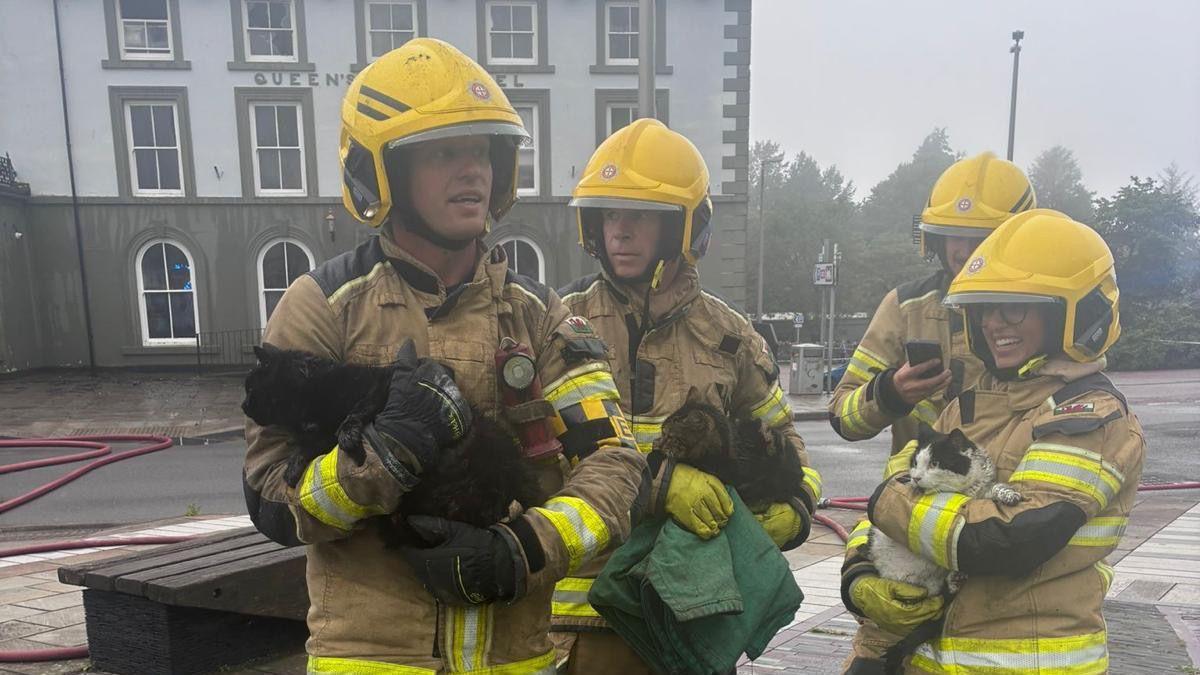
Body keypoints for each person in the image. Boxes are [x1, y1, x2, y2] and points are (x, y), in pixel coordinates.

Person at [242, 39, 647, 673]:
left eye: (482, 150)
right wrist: (379, 457)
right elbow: (270, 499)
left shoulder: (542, 318)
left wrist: (525, 549)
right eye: (444, 151)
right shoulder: (324, 306)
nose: (473, 170)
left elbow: (616, 465)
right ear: (382, 171)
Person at [553, 118, 822, 673]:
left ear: (684, 226)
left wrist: (794, 511)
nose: (619, 232)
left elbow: (788, 441)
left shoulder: (729, 336)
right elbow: (536, 459)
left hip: (690, 618)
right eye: (609, 215)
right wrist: (658, 485)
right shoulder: (558, 325)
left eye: (640, 216)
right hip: (581, 622)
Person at [840, 209, 1144, 673]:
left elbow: (1004, 539)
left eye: (1014, 307)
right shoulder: (967, 405)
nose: (992, 324)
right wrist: (861, 575)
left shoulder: (1089, 416)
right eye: (983, 309)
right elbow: (888, 514)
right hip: (911, 655)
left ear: (1073, 311)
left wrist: (888, 500)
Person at [829, 152, 1037, 455]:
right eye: (954, 236)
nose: (964, 252)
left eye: (980, 237)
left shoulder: (1044, 312)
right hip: (919, 495)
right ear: (936, 240)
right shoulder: (906, 308)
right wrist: (892, 393)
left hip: (1010, 493)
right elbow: (841, 416)